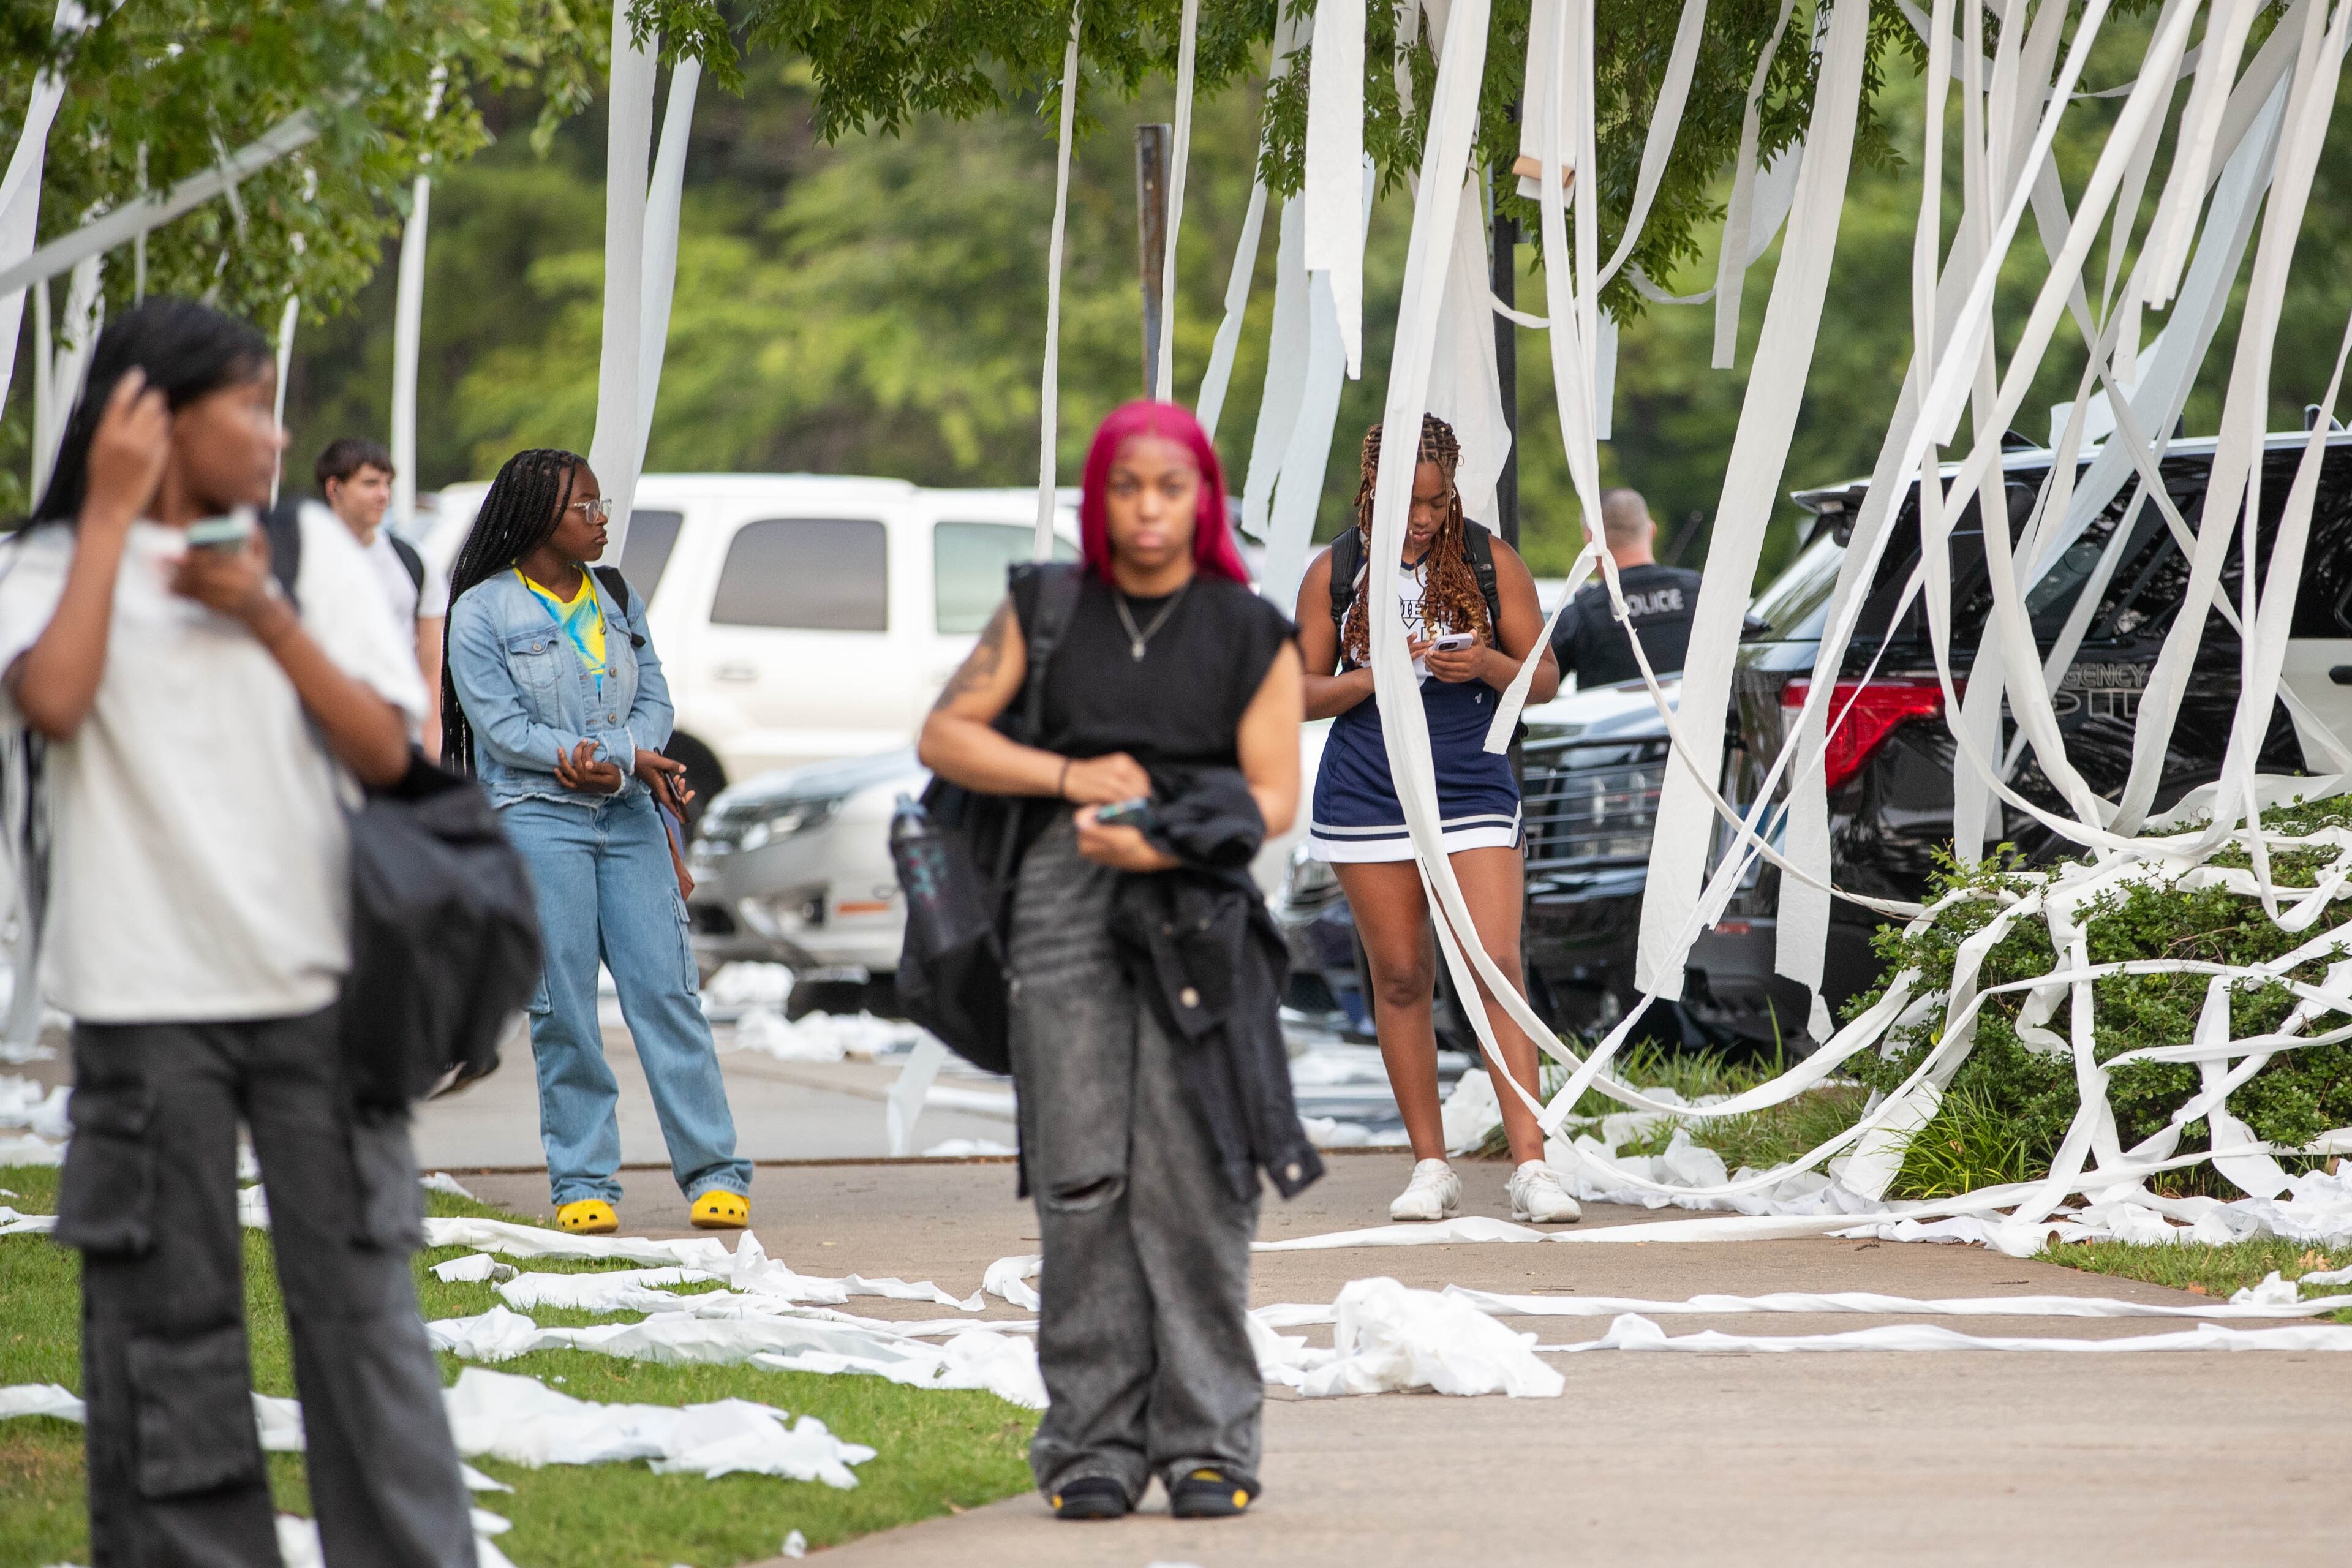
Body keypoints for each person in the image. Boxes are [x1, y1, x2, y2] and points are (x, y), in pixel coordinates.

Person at [0, 298, 475, 1566]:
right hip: (143, 1007)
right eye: (249, 407)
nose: (274, 437)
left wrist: (268, 613)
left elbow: (386, 748)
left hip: (317, 989)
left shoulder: (313, 553)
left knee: (362, 1316)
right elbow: (51, 698)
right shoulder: (45, 567)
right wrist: (108, 514)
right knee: (165, 1330)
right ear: (146, 412)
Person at [919, 400, 1311, 1523]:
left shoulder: (1249, 628)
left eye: (1171, 487)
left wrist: (1164, 832)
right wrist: (1067, 779)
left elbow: (1275, 795)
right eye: (1127, 486)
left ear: (1204, 496)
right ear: (1100, 495)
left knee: (1195, 1177)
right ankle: (1090, 1442)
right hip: (1062, 898)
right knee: (1082, 1177)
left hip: (1197, 901)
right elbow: (946, 734)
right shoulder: (1047, 606)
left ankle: (1209, 1442)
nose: (1148, 508)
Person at [442, 448, 750, 1235]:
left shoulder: (614, 594)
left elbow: (656, 697)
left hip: (629, 818)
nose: (602, 518)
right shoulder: (482, 611)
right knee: (565, 1007)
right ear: (540, 516)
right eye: (586, 506)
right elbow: (502, 730)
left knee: (670, 994)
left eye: (600, 503)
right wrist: (594, 757)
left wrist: (618, 756)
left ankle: (716, 1172)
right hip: (538, 818)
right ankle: (584, 1181)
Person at [1295, 414, 1581, 1226]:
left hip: (1471, 781)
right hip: (1367, 788)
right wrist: (1373, 678)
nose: (1421, 517)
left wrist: (1487, 664)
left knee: (1494, 962)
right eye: (1407, 502)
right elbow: (1298, 692)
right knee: (1399, 976)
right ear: (1373, 490)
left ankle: (1532, 1165)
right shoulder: (1336, 570)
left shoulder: (1491, 560)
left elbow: (1548, 677)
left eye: (1435, 499)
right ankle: (1431, 1165)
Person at [317, 436, 450, 758]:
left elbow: (432, 665)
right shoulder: (305, 558)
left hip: (399, 738)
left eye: (388, 484)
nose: (383, 495)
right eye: (370, 483)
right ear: (334, 489)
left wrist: (430, 747)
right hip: (324, 738)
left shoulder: (414, 561)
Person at [1548, 486, 1703, 687]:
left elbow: (1532, 689)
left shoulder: (1581, 614)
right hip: (1693, 719)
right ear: (1651, 530)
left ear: (1590, 538)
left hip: (1612, 718)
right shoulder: (1701, 593)